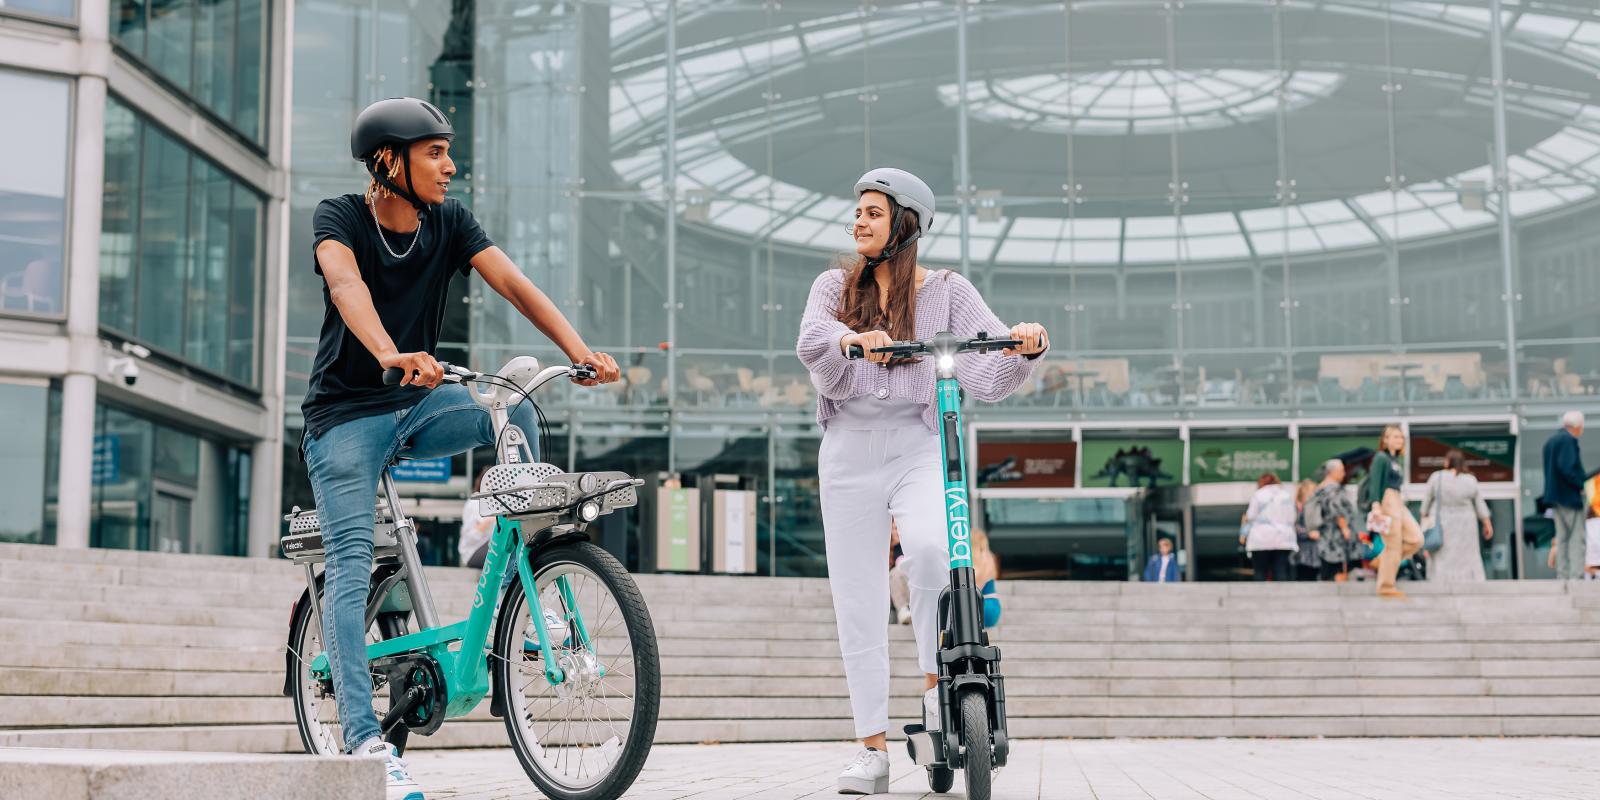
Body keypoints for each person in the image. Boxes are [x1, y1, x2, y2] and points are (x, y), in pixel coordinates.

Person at [300, 98, 619, 800]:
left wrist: (579, 352)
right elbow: (347, 285)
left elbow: (514, 284)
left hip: (417, 405)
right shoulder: (339, 217)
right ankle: (363, 742)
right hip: (345, 419)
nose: (451, 165)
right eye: (435, 153)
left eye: (449, 152)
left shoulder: (450, 223)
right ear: (390, 160)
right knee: (351, 567)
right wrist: (389, 352)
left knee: (512, 410)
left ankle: (527, 596)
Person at [796, 167, 1048, 795]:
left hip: (918, 445)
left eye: (873, 213)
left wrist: (1023, 346)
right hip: (848, 450)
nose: (858, 221)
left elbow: (985, 361)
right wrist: (854, 339)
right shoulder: (834, 286)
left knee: (935, 551)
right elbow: (811, 341)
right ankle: (871, 750)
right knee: (856, 599)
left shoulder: (947, 291)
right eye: (858, 212)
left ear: (904, 224)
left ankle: (940, 695)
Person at [1362, 425, 1423, 598]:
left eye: (1401, 437)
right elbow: (1375, 482)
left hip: (1398, 500)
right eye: (1395, 437)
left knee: (1416, 539)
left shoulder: (1395, 460)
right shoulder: (1381, 458)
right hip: (1387, 500)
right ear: (1385, 439)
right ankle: (1386, 586)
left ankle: (1382, 560)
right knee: (1393, 544)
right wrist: (1376, 505)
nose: (1399, 440)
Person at [1421, 449, 1493, 583]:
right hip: (1466, 523)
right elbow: (1479, 504)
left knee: (1443, 555)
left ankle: (1441, 580)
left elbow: (1426, 503)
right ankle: (1470, 580)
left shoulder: (1437, 477)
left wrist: (1424, 520)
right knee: (1467, 554)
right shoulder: (1470, 479)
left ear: (1448, 461)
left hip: (1443, 522)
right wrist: (1487, 524)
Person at [1542, 411, 1588, 579]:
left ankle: (1563, 575)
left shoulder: (1550, 442)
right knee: (1576, 538)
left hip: (1555, 498)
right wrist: (1582, 485)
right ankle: (1575, 576)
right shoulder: (1568, 440)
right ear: (1577, 426)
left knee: (1562, 538)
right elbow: (1567, 468)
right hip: (1570, 498)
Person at [1242, 474, 1297, 581]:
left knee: (1260, 571)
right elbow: (1292, 517)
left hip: (1261, 538)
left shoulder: (1259, 494)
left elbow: (1251, 516)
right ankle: (1282, 596)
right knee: (1280, 570)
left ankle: (1260, 597)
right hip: (1283, 538)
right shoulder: (1286, 495)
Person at [1310, 459, 1358, 582]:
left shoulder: (1319, 488)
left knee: (1327, 568)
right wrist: (1344, 528)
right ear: (1332, 472)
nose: (1343, 474)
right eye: (1341, 471)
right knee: (1338, 568)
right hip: (1335, 536)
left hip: (1325, 535)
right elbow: (1336, 509)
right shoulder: (1333, 489)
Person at [459, 463, 494, 568]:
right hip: (473, 551)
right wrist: (490, 521)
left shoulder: (495, 503)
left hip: (484, 547)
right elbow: (470, 536)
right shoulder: (475, 503)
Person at [972, 528, 1003, 628]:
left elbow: (976, 588)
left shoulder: (975, 564)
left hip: (982, 606)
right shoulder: (990, 559)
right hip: (994, 605)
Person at [1292, 478, 1321, 581]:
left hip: (1315, 551)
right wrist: (1308, 534)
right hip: (1302, 551)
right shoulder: (1296, 508)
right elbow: (1294, 526)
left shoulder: (1317, 507)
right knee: (1303, 576)